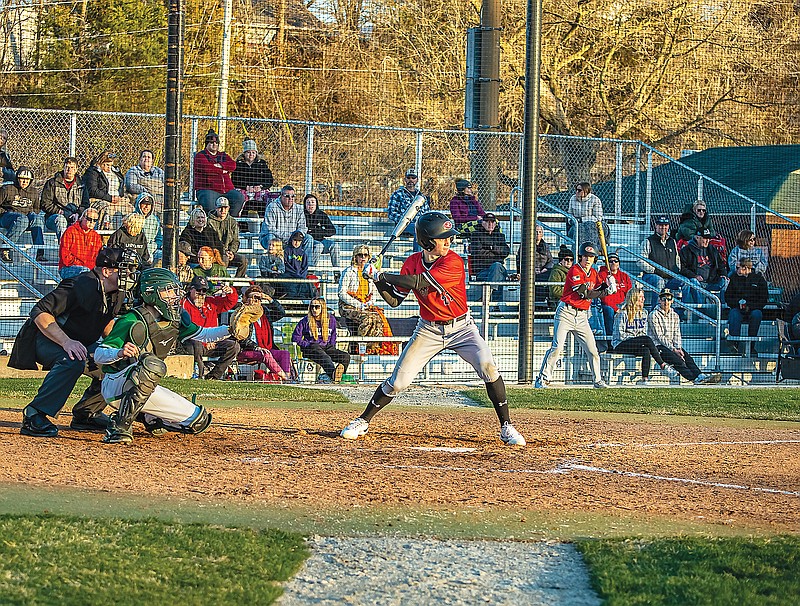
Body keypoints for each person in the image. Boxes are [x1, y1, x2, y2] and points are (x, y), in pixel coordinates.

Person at [341, 211, 526, 445]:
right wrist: (376, 281)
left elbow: (420, 282)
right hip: (428, 329)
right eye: (443, 238)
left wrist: (380, 273)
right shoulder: (411, 263)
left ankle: (506, 426)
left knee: (488, 367)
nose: (449, 241)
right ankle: (363, 420)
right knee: (398, 382)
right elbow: (394, 300)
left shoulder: (453, 261)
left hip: (462, 328)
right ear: (428, 242)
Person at [8, 247, 137, 437]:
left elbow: (106, 323)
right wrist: (67, 342)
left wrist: (115, 349)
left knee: (118, 363)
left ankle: (86, 413)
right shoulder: (79, 284)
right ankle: (34, 413)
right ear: (106, 271)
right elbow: (40, 312)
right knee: (73, 359)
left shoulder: (116, 293)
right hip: (45, 338)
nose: (130, 274)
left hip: (79, 342)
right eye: (125, 269)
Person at [96, 268, 233, 444]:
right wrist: (119, 352)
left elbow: (204, 334)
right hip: (116, 384)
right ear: (151, 293)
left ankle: (147, 417)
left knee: (199, 420)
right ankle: (119, 427)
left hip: (142, 386)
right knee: (151, 366)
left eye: (174, 291)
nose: (174, 296)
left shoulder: (175, 319)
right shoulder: (131, 319)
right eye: (168, 291)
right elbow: (99, 355)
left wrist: (231, 330)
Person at [535, 242, 612, 389]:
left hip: (582, 316)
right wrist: (606, 291)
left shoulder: (594, 273)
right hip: (566, 313)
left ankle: (598, 380)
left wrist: (608, 284)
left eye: (591, 256)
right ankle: (542, 379)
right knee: (557, 347)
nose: (588, 259)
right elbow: (585, 293)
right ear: (580, 257)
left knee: (592, 350)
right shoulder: (574, 270)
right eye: (585, 256)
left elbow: (598, 288)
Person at [647, 288, 721, 384]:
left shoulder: (675, 315)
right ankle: (694, 379)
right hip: (657, 346)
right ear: (659, 300)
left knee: (687, 357)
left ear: (672, 301)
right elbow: (659, 336)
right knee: (678, 361)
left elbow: (677, 334)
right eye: (663, 299)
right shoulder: (653, 315)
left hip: (672, 345)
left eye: (669, 299)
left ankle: (700, 375)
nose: (666, 302)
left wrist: (678, 348)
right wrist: (673, 349)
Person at [611, 288, 679, 385]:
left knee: (646, 349)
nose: (644, 300)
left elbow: (644, 332)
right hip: (621, 344)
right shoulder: (622, 313)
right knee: (646, 339)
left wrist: (638, 339)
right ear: (634, 299)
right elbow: (620, 335)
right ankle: (663, 365)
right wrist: (635, 338)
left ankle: (644, 379)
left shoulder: (644, 313)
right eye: (641, 297)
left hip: (637, 342)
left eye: (643, 297)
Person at [339, 244, 396, 354]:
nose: (363, 257)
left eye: (366, 255)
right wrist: (359, 304)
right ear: (355, 257)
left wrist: (369, 303)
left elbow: (373, 293)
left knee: (378, 319)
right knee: (368, 319)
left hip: (365, 303)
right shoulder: (349, 271)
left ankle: (372, 349)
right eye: (360, 255)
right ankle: (359, 348)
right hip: (348, 306)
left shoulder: (370, 272)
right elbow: (342, 293)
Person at [181, 275, 240, 380]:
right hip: (193, 342)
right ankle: (198, 375)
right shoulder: (184, 304)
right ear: (191, 289)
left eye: (204, 290)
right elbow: (187, 329)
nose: (201, 293)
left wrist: (230, 292)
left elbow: (229, 303)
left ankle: (213, 376)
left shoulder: (210, 302)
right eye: (198, 290)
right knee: (196, 343)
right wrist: (205, 342)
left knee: (234, 346)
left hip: (212, 343)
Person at [235, 285, 289, 381]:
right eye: (253, 298)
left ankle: (287, 377)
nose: (256, 301)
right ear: (247, 300)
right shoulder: (241, 314)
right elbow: (241, 338)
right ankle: (286, 379)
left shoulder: (265, 313)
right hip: (247, 350)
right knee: (265, 354)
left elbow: (281, 313)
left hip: (265, 348)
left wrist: (269, 298)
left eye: (258, 298)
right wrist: (256, 347)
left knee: (284, 354)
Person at [292, 297, 350, 383]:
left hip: (326, 346)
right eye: (312, 307)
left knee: (345, 356)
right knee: (324, 356)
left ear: (322, 308)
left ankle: (338, 375)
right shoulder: (305, 321)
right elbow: (295, 337)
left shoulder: (331, 320)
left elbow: (333, 335)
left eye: (317, 307)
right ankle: (333, 375)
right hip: (311, 348)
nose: (314, 309)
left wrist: (332, 347)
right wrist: (307, 344)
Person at [193, 129, 245, 216]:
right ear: (207, 144)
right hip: (207, 189)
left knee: (239, 197)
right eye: (211, 142)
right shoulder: (200, 156)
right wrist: (223, 171)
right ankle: (213, 223)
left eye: (216, 143)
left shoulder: (223, 155)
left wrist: (220, 166)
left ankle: (230, 220)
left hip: (227, 189)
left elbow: (233, 165)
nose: (214, 145)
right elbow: (207, 169)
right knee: (209, 204)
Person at [679, 227, 728, 317]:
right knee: (693, 282)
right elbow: (681, 268)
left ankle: (723, 311)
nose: (707, 241)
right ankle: (702, 312)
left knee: (725, 281)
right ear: (697, 237)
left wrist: (723, 275)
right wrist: (694, 275)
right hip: (697, 282)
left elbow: (720, 265)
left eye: (708, 238)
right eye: (705, 238)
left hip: (711, 281)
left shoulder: (712, 250)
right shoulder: (686, 250)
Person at [0, 166, 45, 263]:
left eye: (27, 180)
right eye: (22, 179)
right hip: (7, 216)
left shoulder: (33, 192)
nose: (24, 182)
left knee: (37, 218)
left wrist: (32, 216)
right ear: (17, 178)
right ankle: (5, 248)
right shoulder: (7, 189)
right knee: (23, 219)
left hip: (26, 217)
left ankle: (39, 252)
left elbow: (36, 209)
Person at [724, 258, 768, 356]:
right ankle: (734, 345)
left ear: (745, 268)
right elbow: (728, 296)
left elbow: (763, 299)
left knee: (757, 314)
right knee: (734, 313)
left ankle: (751, 346)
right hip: (737, 308)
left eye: (738, 267)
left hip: (753, 308)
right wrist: (737, 304)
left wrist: (750, 306)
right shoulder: (734, 278)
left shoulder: (759, 279)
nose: (736, 270)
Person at [259, 185, 315, 259]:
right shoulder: (272, 207)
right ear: (281, 196)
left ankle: (306, 267)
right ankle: (273, 265)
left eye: (293, 196)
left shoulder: (299, 208)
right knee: (271, 237)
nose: (290, 198)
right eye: (287, 196)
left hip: (293, 239)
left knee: (309, 238)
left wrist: (296, 236)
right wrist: (290, 237)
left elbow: (303, 227)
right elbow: (270, 229)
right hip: (274, 238)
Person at [638, 215, 682, 308]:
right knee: (659, 282)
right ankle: (655, 310)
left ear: (668, 226)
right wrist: (653, 270)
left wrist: (677, 270)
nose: (663, 227)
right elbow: (640, 260)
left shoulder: (672, 241)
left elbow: (677, 258)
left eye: (665, 225)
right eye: (660, 225)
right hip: (651, 276)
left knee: (685, 282)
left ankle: (681, 312)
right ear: (656, 226)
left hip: (670, 277)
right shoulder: (648, 241)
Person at [468, 213, 511, 302]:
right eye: (487, 222)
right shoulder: (476, 235)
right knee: (498, 275)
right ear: (483, 223)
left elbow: (506, 251)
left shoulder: (500, 236)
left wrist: (491, 248)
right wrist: (497, 253)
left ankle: (486, 297)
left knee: (497, 267)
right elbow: (478, 253)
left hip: (499, 268)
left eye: (492, 222)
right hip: (482, 271)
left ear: (495, 224)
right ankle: (496, 308)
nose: (490, 224)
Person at [82, 150, 130, 229]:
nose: (109, 167)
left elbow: (121, 188)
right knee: (106, 210)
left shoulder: (116, 172)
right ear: (101, 163)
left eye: (111, 165)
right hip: (100, 200)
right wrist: (109, 198)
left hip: (118, 200)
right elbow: (93, 190)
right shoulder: (93, 172)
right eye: (107, 164)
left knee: (130, 209)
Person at [40, 156, 83, 241]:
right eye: (67, 167)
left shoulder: (81, 185)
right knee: (60, 220)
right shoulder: (52, 183)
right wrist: (59, 211)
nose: (69, 170)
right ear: (63, 168)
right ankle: (64, 248)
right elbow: (45, 203)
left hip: (75, 216)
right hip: (54, 217)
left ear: (76, 169)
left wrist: (78, 214)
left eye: (72, 168)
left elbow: (85, 204)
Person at [387, 167, 430, 252]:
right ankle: (417, 257)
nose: (411, 180)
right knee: (418, 230)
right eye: (408, 178)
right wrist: (404, 220)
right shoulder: (398, 194)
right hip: (403, 226)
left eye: (413, 178)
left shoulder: (421, 196)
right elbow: (392, 213)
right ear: (405, 179)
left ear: (417, 180)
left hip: (420, 224)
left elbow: (427, 212)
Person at [231, 137, 274, 216]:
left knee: (265, 198)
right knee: (240, 198)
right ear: (244, 153)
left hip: (259, 190)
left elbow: (269, 179)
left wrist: (261, 186)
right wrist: (246, 187)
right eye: (248, 152)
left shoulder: (261, 164)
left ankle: (264, 221)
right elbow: (234, 180)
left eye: (253, 152)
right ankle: (241, 224)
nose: (251, 155)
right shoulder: (238, 164)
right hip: (244, 189)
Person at [207, 197, 248, 278]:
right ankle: (223, 284)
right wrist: (223, 252)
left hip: (228, 252)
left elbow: (235, 241)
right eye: (220, 208)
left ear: (228, 208)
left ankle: (236, 285)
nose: (223, 210)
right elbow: (210, 241)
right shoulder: (209, 222)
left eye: (225, 208)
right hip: (214, 252)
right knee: (224, 258)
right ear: (216, 208)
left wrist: (232, 252)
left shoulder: (232, 222)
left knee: (243, 261)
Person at [59, 208, 104, 279]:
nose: (92, 222)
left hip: (89, 269)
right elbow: (65, 257)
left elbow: (97, 257)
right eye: (89, 219)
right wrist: (84, 265)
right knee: (85, 272)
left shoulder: (96, 237)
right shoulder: (70, 232)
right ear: (82, 218)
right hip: (68, 268)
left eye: (95, 220)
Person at [597, 251, 632, 335]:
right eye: (611, 261)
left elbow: (630, 293)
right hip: (609, 305)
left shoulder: (624, 276)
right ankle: (610, 340)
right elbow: (604, 297)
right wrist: (616, 308)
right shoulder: (602, 275)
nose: (613, 263)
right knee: (609, 310)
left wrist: (625, 306)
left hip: (622, 305)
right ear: (607, 263)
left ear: (619, 263)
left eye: (616, 261)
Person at [303, 193, 340, 268]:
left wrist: (318, 232)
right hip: (307, 243)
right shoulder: (302, 214)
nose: (311, 204)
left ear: (316, 204)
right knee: (319, 246)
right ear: (305, 205)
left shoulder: (321, 214)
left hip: (321, 240)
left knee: (335, 245)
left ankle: (337, 272)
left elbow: (332, 230)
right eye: (308, 202)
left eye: (313, 202)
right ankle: (310, 270)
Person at [567, 182, 607, 248]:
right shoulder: (573, 199)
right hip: (577, 224)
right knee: (579, 228)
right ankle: (578, 250)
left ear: (586, 191)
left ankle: (592, 249)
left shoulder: (595, 200)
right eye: (576, 190)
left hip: (593, 225)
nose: (577, 192)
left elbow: (597, 217)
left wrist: (581, 220)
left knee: (588, 227)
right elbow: (570, 214)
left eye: (579, 190)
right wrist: (572, 220)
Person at [284, 230, 316, 299]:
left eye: (299, 241)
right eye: (295, 240)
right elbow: (286, 265)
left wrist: (301, 276)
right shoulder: (286, 251)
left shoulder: (303, 253)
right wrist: (295, 274)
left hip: (300, 276)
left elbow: (304, 267)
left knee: (307, 285)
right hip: (289, 276)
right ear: (291, 239)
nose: (296, 242)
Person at [133, 192, 163, 264]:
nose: (146, 207)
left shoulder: (155, 220)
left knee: (162, 256)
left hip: (152, 249)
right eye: (144, 204)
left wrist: (152, 248)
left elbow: (158, 238)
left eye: (149, 204)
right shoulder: (132, 218)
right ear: (139, 204)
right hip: (135, 249)